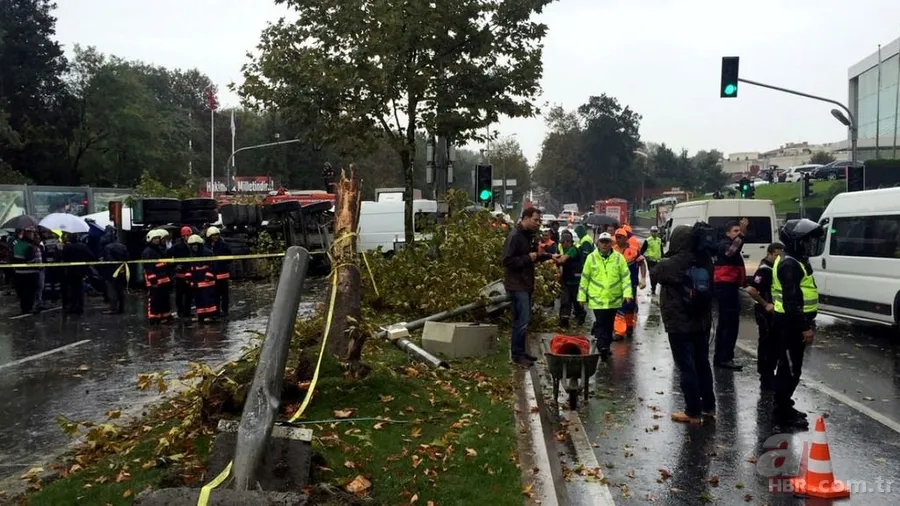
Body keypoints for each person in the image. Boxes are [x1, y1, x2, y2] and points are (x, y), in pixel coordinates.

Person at [652, 224, 716, 424]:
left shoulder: (673, 263)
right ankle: (709, 406)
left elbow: (655, 273)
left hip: (680, 323)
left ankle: (692, 411)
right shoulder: (705, 260)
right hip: (702, 321)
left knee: (686, 366)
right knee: (702, 363)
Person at [771, 219, 822, 430]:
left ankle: (785, 405)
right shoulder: (789, 264)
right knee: (790, 370)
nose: (809, 245)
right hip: (790, 325)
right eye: (805, 241)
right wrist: (805, 328)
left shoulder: (794, 260)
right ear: (794, 241)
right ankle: (782, 412)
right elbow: (792, 302)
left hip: (790, 322)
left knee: (789, 368)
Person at [502, 207, 555, 367]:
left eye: (539, 221)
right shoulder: (515, 236)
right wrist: (527, 258)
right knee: (521, 321)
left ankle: (521, 351)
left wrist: (549, 256)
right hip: (517, 285)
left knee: (523, 320)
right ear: (525, 218)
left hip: (526, 283)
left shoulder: (528, 236)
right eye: (535, 220)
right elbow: (507, 261)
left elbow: (533, 256)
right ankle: (517, 355)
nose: (538, 224)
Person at [578, 232, 632, 361]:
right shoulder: (591, 258)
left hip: (613, 299)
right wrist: (581, 296)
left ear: (611, 243)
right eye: (602, 241)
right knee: (601, 323)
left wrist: (627, 293)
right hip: (597, 299)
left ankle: (605, 346)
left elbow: (625, 277)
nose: (604, 244)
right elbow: (585, 278)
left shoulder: (619, 258)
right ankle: (602, 346)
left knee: (609, 324)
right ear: (598, 243)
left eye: (607, 241)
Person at [746, 242, 784, 392]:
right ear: (769, 253)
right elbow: (751, 290)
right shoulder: (764, 270)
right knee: (766, 345)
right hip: (765, 313)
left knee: (774, 344)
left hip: (774, 313)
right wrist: (765, 304)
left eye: (781, 255)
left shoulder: (775, 268)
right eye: (776, 255)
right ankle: (765, 377)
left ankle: (770, 375)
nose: (778, 258)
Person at [713, 218, 749, 370]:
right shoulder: (724, 244)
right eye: (735, 231)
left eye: (738, 231)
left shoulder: (728, 243)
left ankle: (723, 356)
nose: (738, 233)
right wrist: (741, 235)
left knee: (727, 324)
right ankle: (724, 358)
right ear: (727, 233)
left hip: (730, 286)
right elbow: (730, 252)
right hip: (725, 287)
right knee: (729, 324)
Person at [613, 228, 646, 339]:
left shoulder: (634, 251)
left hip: (631, 283)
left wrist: (643, 278)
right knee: (620, 307)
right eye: (616, 237)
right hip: (616, 284)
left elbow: (642, 263)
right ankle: (619, 331)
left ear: (625, 238)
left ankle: (629, 326)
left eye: (620, 237)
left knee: (629, 306)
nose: (618, 239)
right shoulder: (613, 251)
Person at [555, 230, 587, 328]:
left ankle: (581, 313)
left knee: (575, 301)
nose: (562, 245)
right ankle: (564, 320)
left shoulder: (573, 249)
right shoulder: (562, 249)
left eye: (563, 242)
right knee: (565, 300)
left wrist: (550, 258)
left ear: (568, 242)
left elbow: (562, 260)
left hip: (576, 280)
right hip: (566, 279)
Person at [142, 229, 173, 322]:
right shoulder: (148, 252)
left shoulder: (159, 249)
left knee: (164, 299)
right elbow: (149, 267)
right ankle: (154, 318)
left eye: (157, 238)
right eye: (154, 238)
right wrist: (153, 280)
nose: (157, 240)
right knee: (155, 300)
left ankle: (165, 316)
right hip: (155, 281)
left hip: (163, 279)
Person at [60, 232, 95, 315]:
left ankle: (72, 306)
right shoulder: (83, 246)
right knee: (80, 288)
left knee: (72, 289)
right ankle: (80, 306)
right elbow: (92, 256)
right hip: (81, 271)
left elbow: (63, 258)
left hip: (70, 271)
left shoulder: (67, 247)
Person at [188, 234, 218, 322]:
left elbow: (213, 266)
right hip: (197, 282)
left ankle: (211, 316)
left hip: (207, 282)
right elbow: (190, 267)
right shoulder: (191, 255)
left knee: (208, 300)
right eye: (192, 245)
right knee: (199, 300)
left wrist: (208, 275)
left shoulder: (207, 253)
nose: (194, 247)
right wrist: (189, 278)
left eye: (196, 244)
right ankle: (201, 316)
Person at [205, 226, 232, 317]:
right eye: (213, 235)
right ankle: (216, 311)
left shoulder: (223, 245)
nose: (215, 237)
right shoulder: (206, 246)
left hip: (222, 274)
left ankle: (225, 311)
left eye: (216, 235)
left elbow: (230, 257)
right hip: (212, 274)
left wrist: (222, 263)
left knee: (224, 295)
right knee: (214, 295)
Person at [12, 229, 40, 314]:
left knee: (23, 292)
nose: (32, 235)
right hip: (30, 273)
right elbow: (30, 260)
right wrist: (36, 259)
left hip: (19, 273)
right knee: (30, 292)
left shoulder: (16, 245)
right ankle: (29, 308)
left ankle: (24, 308)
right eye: (31, 234)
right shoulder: (30, 246)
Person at [101, 232, 130, 314]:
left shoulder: (107, 247)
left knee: (112, 290)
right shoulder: (122, 246)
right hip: (122, 271)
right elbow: (127, 257)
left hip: (111, 272)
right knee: (120, 290)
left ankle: (113, 308)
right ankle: (121, 308)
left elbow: (108, 260)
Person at [171, 226, 193, 318]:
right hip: (180, 275)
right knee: (179, 295)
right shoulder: (177, 246)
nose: (187, 237)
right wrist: (174, 266)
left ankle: (187, 312)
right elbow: (167, 255)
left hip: (190, 274)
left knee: (189, 295)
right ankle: (180, 311)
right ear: (182, 236)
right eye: (186, 236)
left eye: (189, 235)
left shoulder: (193, 244)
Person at [640, 225, 663, 294]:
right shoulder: (647, 241)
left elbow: (661, 250)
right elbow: (642, 251)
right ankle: (653, 288)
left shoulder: (659, 240)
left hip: (658, 261)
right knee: (653, 275)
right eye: (653, 231)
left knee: (658, 275)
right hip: (651, 261)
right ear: (650, 232)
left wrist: (663, 257)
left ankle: (654, 286)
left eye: (655, 231)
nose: (654, 233)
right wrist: (645, 257)